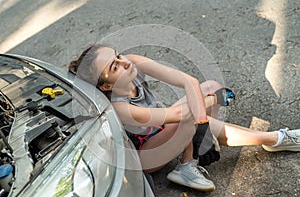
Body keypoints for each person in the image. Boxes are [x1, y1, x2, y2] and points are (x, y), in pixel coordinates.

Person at [68, 44, 300, 192]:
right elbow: (176, 115)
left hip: (165, 127)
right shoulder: (120, 107)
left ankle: (275, 139)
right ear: (107, 84)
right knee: (192, 114)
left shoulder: (133, 62)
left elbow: (188, 81)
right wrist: (210, 104)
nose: (125, 61)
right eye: (114, 66)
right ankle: (186, 166)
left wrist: (203, 123)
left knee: (209, 88)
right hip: (148, 156)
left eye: (118, 54)